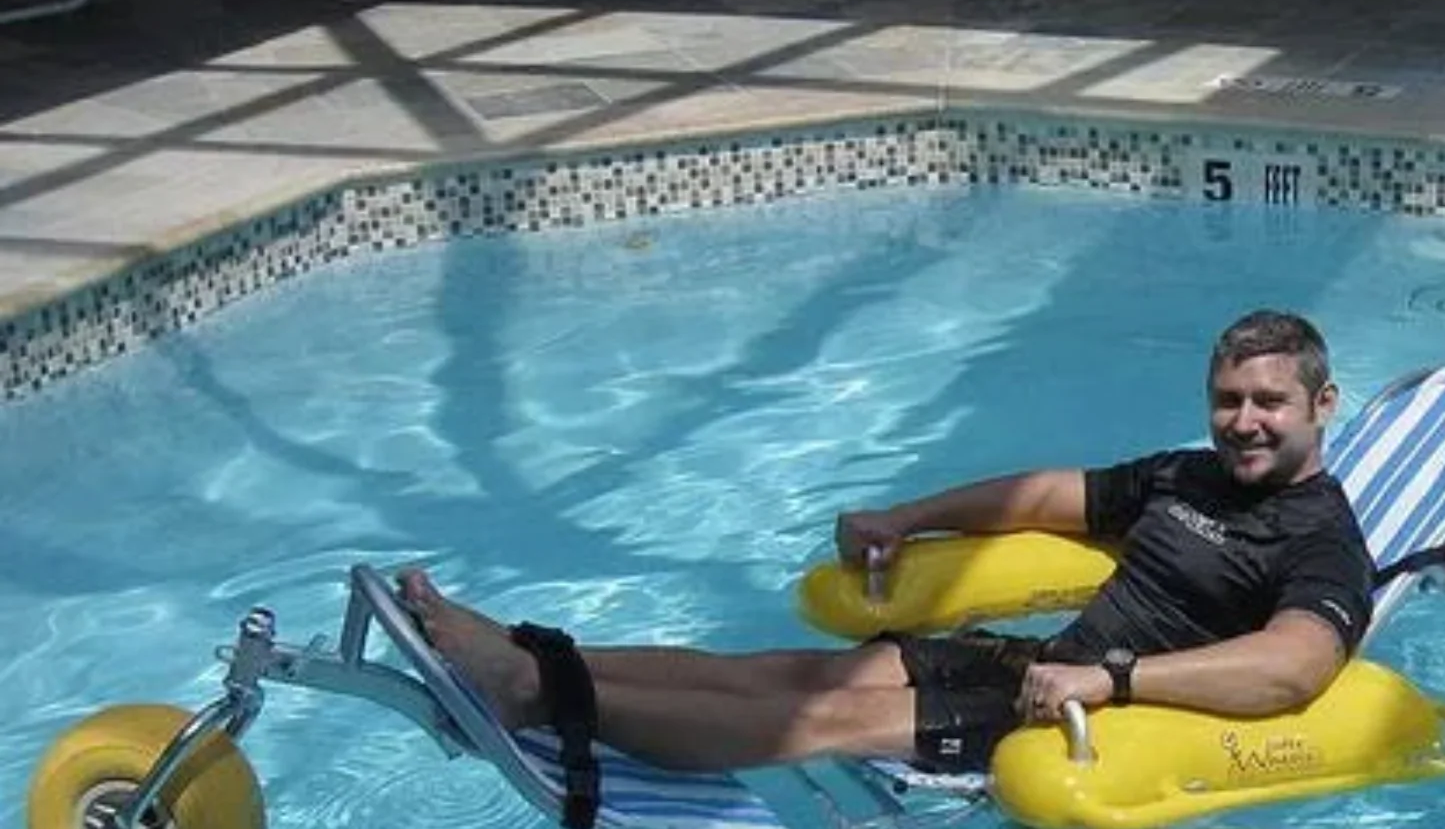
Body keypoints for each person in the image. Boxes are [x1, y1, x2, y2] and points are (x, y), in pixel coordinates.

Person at [399, 308, 1375, 792]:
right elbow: (1045, 495)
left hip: (1078, 711)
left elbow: (1291, 666)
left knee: (823, 715)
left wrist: (1111, 683)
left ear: (1320, 405)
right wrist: (906, 517)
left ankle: (541, 698)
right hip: (1036, 662)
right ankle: (533, 654)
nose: (1242, 421)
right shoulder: (1185, 472)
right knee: (788, 668)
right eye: (1227, 399)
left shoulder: (1320, 539)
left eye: (1268, 402)